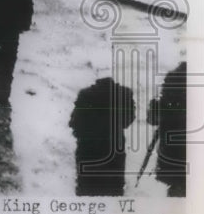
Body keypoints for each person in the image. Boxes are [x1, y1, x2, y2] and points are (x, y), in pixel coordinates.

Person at [69, 77, 136, 196]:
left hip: (88, 150)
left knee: (87, 190)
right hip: (114, 149)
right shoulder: (125, 93)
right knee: (113, 190)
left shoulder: (85, 94)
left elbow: (74, 123)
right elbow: (128, 120)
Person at [146, 61, 187, 197]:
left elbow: (153, 119)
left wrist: (154, 105)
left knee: (177, 189)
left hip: (173, 153)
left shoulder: (171, 82)